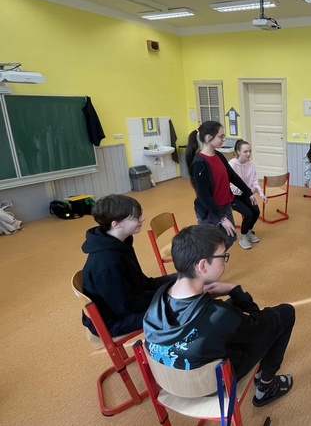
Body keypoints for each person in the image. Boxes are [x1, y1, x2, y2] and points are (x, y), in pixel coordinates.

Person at [143, 224, 295, 408]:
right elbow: (259, 325)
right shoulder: (219, 314)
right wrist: (235, 290)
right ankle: (266, 387)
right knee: (285, 313)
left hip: (172, 381)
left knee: (232, 312)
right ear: (202, 265)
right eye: (222, 256)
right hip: (213, 384)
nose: (224, 262)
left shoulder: (158, 297)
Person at [80, 194, 174, 337]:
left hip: (127, 301)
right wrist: (167, 292)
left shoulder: (120, 242)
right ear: (116, 224)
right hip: (114, 321)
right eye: (136, 217)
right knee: (180, 306)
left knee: (182, 280)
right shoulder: (107, 263)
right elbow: (125, 307)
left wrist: (177, 281)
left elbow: (140, 283)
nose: (142, 219)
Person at [185, 121, 254, 250]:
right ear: (208, 137)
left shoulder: (218, 155)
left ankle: (217, 259)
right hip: (210, 210)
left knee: (230, 239)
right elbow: (204, 196)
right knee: (213, 246)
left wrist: (248, 192)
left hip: (225, 205)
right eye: (221, 136)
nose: (223, 139)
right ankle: (207, 262)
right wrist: (222, 219)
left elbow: (232, 176)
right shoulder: (199, 163)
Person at [229, 139, 267, 249]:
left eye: (250, 151)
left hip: (247, 194)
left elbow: (255, 181)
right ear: (238, 152)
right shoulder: (231, 165)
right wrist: (248, 190)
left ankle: (248, 231)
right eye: (245, 152)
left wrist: (261, 194)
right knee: (248, 214)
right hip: (233, 196)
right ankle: (243, 236)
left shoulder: (251, 164)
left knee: (256, 212)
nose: (248, 154)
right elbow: (230, 186)